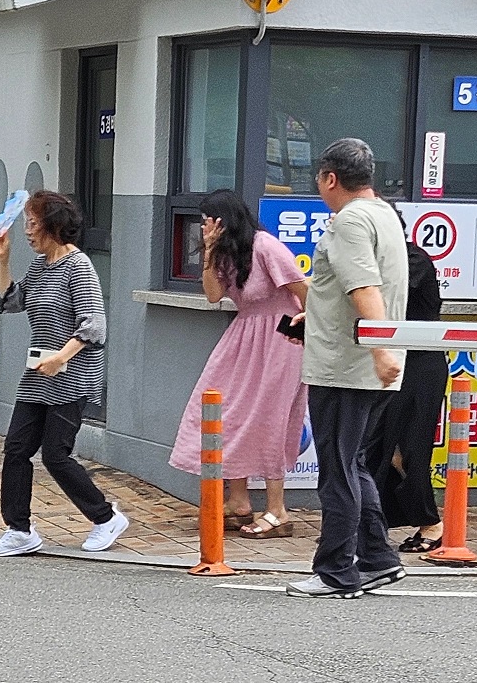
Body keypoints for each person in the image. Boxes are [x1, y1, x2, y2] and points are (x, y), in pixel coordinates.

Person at [286, 138, 409, 598]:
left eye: (319, 178)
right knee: (353, 463)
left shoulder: (350, 221)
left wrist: (378, 350)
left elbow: (363, 286)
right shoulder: (383, 214)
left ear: (330, 178)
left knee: (337, 469)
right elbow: (352, 288)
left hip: (346, 366)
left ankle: (337, 571)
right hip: (371, 363)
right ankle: (377, 558)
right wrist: (315, 313)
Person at [0, 190, 129, 556]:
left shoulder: (78, 267)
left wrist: (61, 358)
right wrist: (3, 260)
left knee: (55, 455)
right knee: (16, 448)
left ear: (53, 225)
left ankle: (106, 517)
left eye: (32, 224)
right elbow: (12, 302)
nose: (28, 231)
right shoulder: (40, 265)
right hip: (39, 374)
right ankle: (19, 530)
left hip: (73, 375)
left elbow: (94, 325)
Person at [168, 189, 309, 536]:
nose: (202, 227)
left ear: (223, 219)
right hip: (245, 333)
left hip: (281, 336)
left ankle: (278, 511)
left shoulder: (265, 246)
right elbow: (214, 295)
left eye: (206, 221)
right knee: (223, 409)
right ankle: (239, 500)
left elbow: (304, 289)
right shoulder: (226, 252)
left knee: (269, 417)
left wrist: (307, 327)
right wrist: (210, 252)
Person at [371, 244, 447, 553]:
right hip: (389, 361)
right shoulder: (373, 261)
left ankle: (432, 523)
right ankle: (374, 522)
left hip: (420, 364)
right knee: (380, 449)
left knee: (411, 449)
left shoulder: (412, 260)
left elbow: (382, 297)